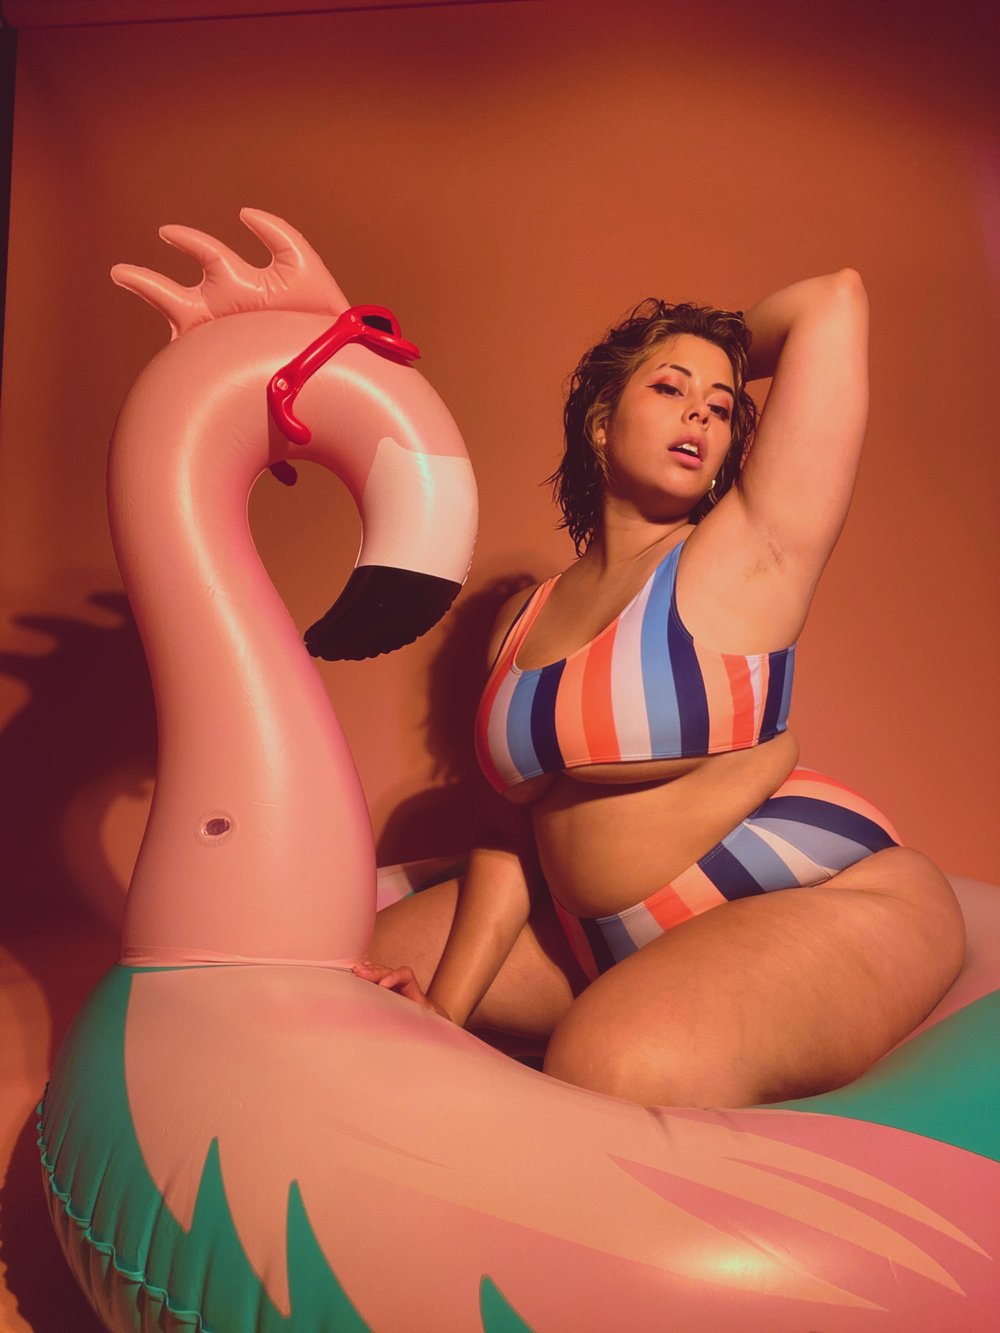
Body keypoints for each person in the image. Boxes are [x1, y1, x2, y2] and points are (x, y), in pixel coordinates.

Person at [353, 270, 965, 1108]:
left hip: (826, 896)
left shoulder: (745, 551)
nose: (701, 414)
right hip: (600, 942)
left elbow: (835, 302)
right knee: (370, 961)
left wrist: (704, 339)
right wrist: (445, 1011)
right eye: (671, 389)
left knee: (611, 1062)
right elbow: (509, 833)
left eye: (721, 406)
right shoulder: (523, 619)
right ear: (602, 422)